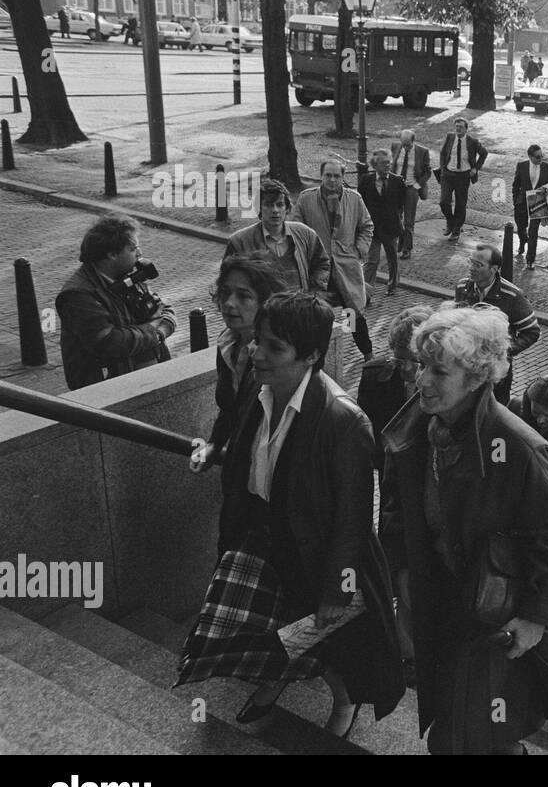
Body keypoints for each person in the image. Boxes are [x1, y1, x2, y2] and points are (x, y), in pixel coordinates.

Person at [177, 291, 404, 737]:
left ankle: (343, 703)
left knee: (328, 640)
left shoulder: (344, 421)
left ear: (312, 355)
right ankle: (275, 679)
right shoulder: (255, 387)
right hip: (261, 537)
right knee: (269, 632)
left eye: (273, 347)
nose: (256, 353)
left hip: (316, 553)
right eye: (257, 340)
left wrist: (338, 589)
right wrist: (212, 447)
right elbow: (235, 439)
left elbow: (353, 520)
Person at [379, 305, 548, 755]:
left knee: (457, 737)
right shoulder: (417, 429)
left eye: (439, 371)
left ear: (476, 378)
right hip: (443, 605)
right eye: (420, 366)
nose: (421, 382)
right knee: (474, 729)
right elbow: (396, 508)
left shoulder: (517, 447)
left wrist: (533, 618)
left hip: (493, 617)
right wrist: (401, 575)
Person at [356, 304, 432, 677]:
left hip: (428, 497)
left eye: (414, 361)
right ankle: (404, 654)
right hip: (390, 494)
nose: (406, 370)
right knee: (395, 571)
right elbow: (364, 432)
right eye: (400, 359)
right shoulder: (374, 377)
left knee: (416, 581)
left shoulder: (446, 386)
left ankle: (416, 655)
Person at [57, 214, 175, 390]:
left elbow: (166, 312)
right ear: (112, 254)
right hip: (108, 388)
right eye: (133, 248)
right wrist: (155, 333)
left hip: (147, 375)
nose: (140, 253)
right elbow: (110, 342)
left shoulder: (129, 276)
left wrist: (156, 328)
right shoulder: (78, 295)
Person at [193, 254, 287, 472]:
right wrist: (214, 444)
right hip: (240, 469)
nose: (229, 303)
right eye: (225, 293)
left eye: (243, 296)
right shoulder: (227, 344)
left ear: (265, 302)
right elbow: (230, 409)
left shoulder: (279, 355)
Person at [293, 160, 375, 359]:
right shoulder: (306, 199)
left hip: (346, 267)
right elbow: (295, 228)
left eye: (336, 176)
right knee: (318, 314)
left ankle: (367, 352)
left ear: (343, 178)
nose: (332, 180)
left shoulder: (354, 199)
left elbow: (367, 226)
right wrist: (305, 256)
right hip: (318, 269)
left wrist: (358, 250)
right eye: (328, 175)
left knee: (353, 312)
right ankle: (320, 355)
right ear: (321, 175)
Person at [454, 244, 541, 403]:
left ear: (493, 269)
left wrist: (503, 350)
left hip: (495, 372)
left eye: (478, 265)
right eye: (471, 262)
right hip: (465, 369)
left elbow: (532, 331)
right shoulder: (462, 287)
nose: (471, 268)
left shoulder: (512, 295)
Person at [227, 178, 331, 296]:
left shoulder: (305, 234)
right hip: (264, 313)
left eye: (280, 204)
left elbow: (322, 263)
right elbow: (229, 282)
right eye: (269, 205)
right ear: (259, 208)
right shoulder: (239, 241)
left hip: (300, 310)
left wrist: (314, 294)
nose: (275, 210)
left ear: (287, 208)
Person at [358, 148, 406, 297]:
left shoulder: (398, 181)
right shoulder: (366, 180)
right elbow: (361, 203)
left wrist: (398, 220)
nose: (387, 166)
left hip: (391, 227)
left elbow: (401, 204)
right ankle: (367, 291)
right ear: (375, 165)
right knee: (372, 260)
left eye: (389, 163)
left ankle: (392, 285)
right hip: (372, 228)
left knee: (392, 258)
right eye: (384, 163)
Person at [437, 117, 488, 242]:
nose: (458, 129)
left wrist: (475, 168)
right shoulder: (449, 137)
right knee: (444, 201)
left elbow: (484, 153)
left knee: (460, 204)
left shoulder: (472, 141)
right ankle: (450, 221)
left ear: (466, 129)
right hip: (448, 174)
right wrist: (443, 168)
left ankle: (456, 230)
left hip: (463, 176)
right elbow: (443, 153)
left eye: (460, 127)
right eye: (456, 126)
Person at [511, 144, 548, 268]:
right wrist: (515, 200)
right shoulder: (522, 166)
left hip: (538, 202)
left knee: (533, 231)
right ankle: (522, 241)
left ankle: (530, 260)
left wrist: (546, 188)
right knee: (521, 227)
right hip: (522, 201)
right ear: (530, 156)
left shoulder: (547, 167)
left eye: (542, 156)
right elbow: (516, 185)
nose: (540, 159)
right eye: (537, 157)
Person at [390, 129, 432, 260]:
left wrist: (417, 186)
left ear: (413, 142)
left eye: (407, 144)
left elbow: (427, 172)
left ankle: (407, 249)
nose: (405, 147)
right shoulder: (395, 146)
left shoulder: (422, 152)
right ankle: (401, 241)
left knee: (409, 220)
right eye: (403, 144)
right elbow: (392, 165)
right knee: (396, 217)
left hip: (411, 188)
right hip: (396, 187)